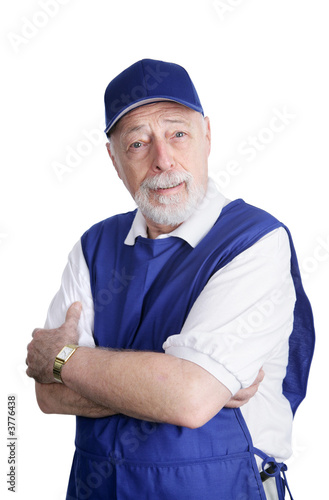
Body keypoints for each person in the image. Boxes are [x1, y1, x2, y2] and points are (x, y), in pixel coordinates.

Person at [26, 59, 315, 500]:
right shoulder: (93, 247)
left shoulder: (255, 241)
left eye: (178, 134)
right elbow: (48, 396)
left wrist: (62, 359)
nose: (163, 160)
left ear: (207, 136)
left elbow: (189, 399)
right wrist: (173, 385)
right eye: (138, 143)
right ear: (114, 158)